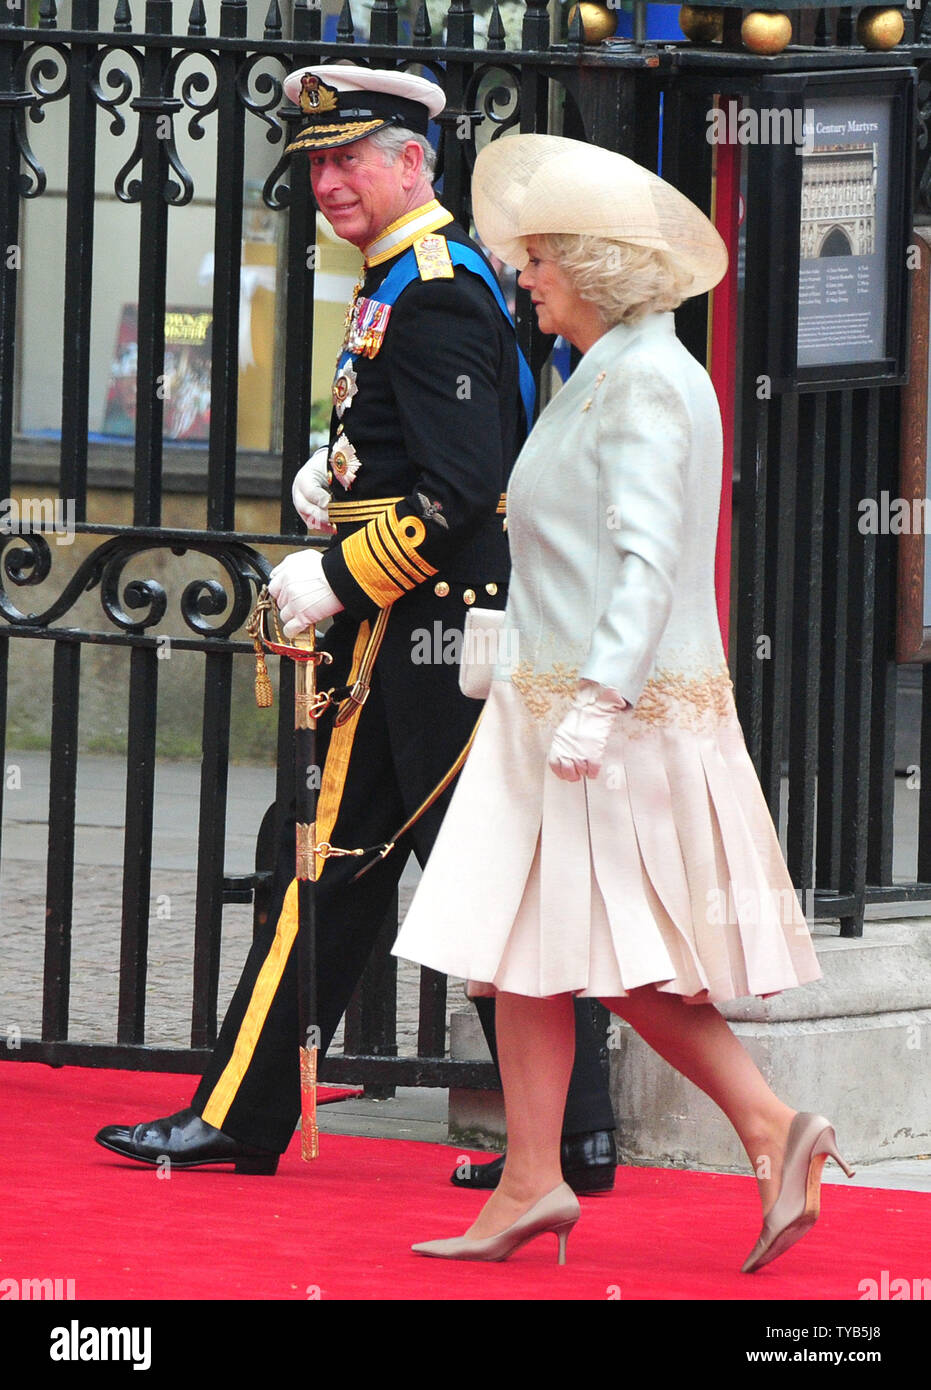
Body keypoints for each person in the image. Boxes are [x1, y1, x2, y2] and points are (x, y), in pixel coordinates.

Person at [94, 70, 617, 1191]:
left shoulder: (430, 286)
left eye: (349, 160)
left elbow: (463, 488)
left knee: (368, 871)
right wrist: (341, 487)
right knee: (383, 876)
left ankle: (248, 1116)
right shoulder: (407, 275)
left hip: (416, 640)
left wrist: (337, 573)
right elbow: (419, 463)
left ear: (413, 163)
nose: (327, 183)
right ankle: (571, 1133)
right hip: (419, 640)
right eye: (316, 165)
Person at [393, 134, 855, 1271]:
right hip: (549, 711)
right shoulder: (609, 370)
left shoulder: (646, 380)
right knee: (516, 948)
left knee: (611, 958)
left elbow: (649, 563)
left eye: (541, 259)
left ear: (592, 268)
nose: (525, 278)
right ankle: (531, 1181)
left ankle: (767, 1126)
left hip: (603, 722)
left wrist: (594, 706)